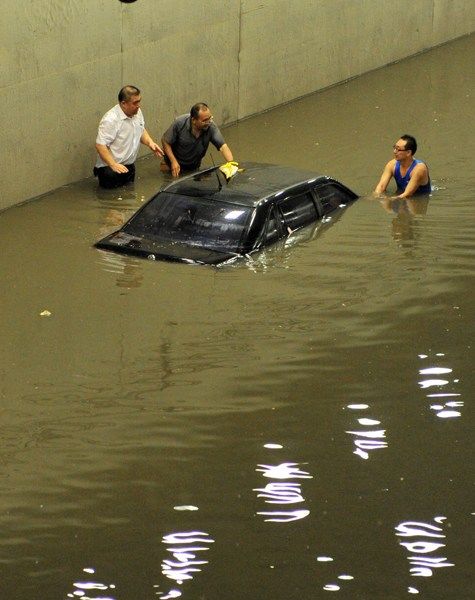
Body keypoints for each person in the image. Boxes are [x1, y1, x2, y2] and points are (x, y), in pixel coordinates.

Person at [94, 85, 163, 189]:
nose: (138, 106)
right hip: (109, 168)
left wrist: (150, 143)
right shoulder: (111, 120)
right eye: (135, 103)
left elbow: (141, 129)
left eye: (139, 101)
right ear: (123, 104)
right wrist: (113, 165)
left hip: (129, 165)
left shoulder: (137, 112)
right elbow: (100, 145)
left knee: (129, 195)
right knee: (110, 200)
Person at [161, 103, 234, 177]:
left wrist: (231, 165)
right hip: (172, 165)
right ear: (193, 120)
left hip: (193, 167)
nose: (208, 122)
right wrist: (173, 161)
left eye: (210, 118)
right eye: (205, 120)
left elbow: (223, 147)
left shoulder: (211, 126)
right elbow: (165, 141)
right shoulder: (179, 123)